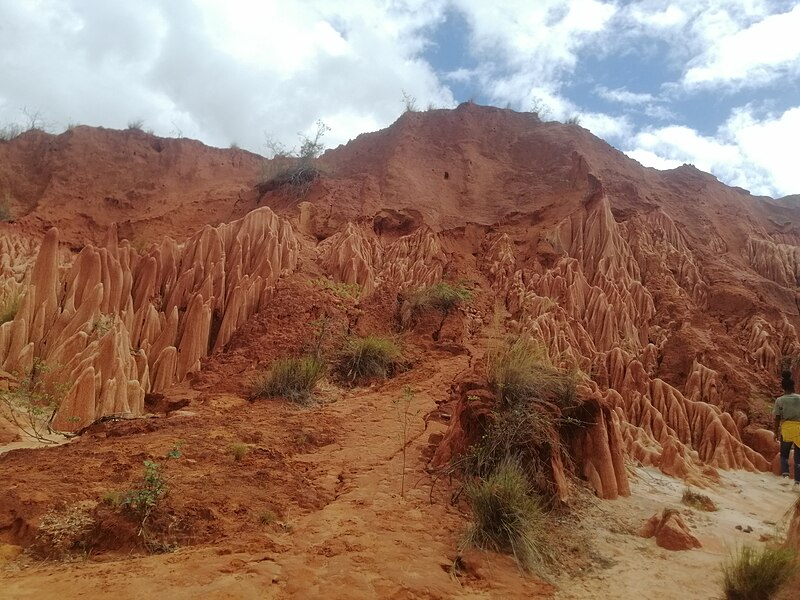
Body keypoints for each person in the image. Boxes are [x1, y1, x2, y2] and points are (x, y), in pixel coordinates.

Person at [773, 371, 800, 490]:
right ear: (793, 386)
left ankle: (785, 477)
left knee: (784, 454)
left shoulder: (780, 400)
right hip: (799, 428)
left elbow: (777, 418)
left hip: (787, 428)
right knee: (798, 458)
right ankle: (798, 483)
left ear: (783, 387)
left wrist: (775, 432)